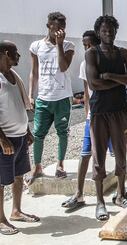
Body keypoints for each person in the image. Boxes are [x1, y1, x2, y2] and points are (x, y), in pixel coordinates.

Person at [85, 15, 127, 220]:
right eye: (105, 30)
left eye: (111, 30)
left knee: (121, 153)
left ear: (116, 31)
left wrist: (111, 77)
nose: (109, 33)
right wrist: (122, 82)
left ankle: (121, 194)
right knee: (98, 157)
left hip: (119, 111)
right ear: (99, 32)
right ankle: (100, 202)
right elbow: (93, 84)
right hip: (99, 112)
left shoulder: (123, 53)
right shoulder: (92, 53)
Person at [61, 30, 116, 209]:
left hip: (109, 114)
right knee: (85, 155)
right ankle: (79, 193)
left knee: (116, 154)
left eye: (90, 45)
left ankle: (121, 191)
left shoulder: (106, 60)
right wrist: (87, 115)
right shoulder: (85, 64)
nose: (87, 48)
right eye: (84, 46)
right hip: (93, 117)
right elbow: (86, 92)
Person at [26, 12, 75, 184]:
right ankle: (37, 166)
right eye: (57, 27)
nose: (60, 31)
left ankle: (60, 164)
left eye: (63, 27)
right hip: (44, 98)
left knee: (62, 132)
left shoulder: (68, 46)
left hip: (62, 97)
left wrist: (59, 45)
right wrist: (31, 95)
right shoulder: (36, 46)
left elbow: (63, 67)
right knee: (38, 133)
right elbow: (34, 72)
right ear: (49, 26)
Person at [0, 41, 39, 235]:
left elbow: (19, 106)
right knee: (1, 180)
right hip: (5, 140)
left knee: (18, 175)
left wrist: (27, 131)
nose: (18, 56)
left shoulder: (13, 75)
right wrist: (3, 139)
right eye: (15, 53)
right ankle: (0, 219)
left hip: (20, 136)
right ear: (6, 53)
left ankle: (16, 211)